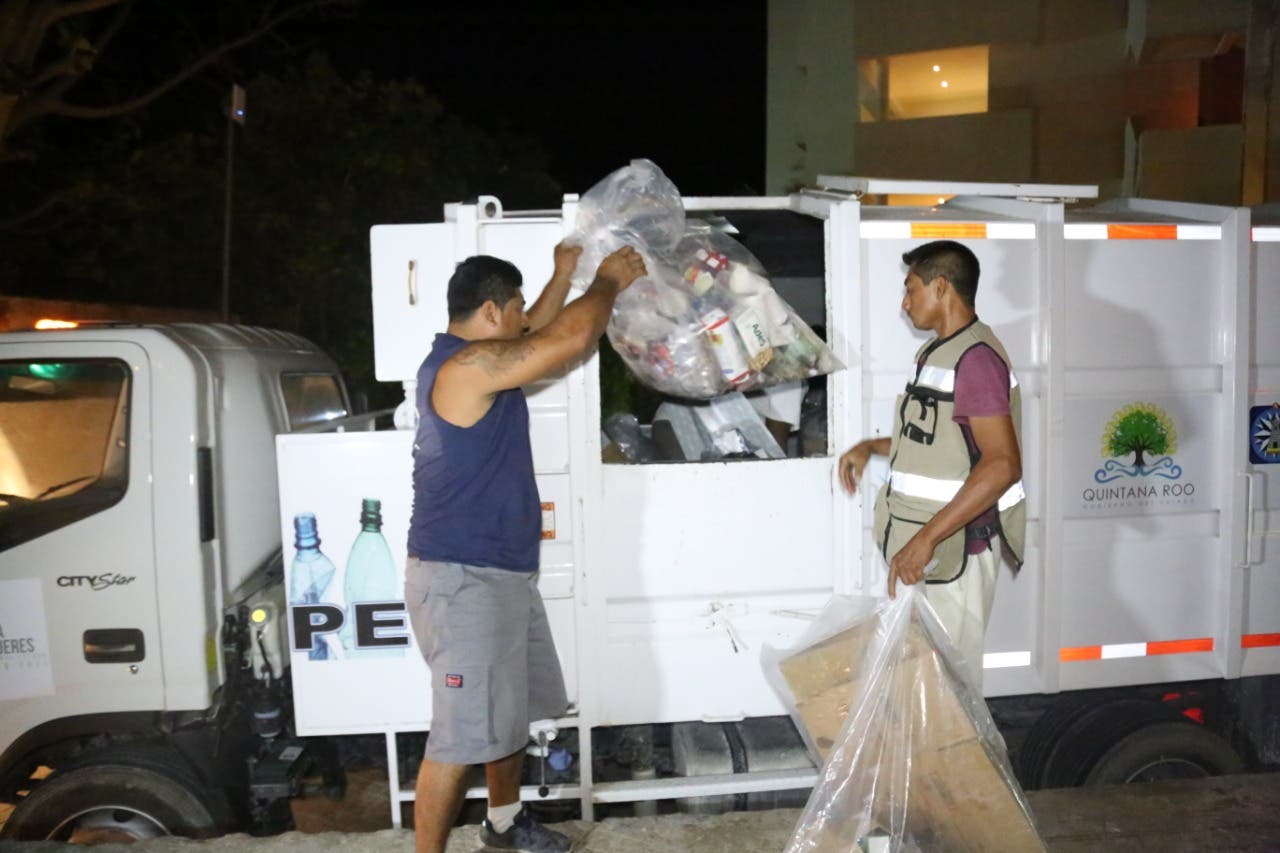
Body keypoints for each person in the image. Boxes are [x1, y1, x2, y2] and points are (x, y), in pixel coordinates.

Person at [404, 242, 646, 853]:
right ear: (491, 311)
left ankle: (504, 823)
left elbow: (537, 327)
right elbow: (569, 337)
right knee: (457, 738)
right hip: (461, 581)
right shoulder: (465, 367)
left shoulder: (478, 355)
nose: (523, 321)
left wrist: (562, 273)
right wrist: (606, 282)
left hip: (502, 574)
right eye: (515, 310)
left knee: (506, 714)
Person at [838, 240, 1025, 688]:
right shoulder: (936, 354)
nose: (905, 304)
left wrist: (924, 541)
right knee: (923, 690)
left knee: (949, 695)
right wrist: (871, 446)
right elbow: (935, 440)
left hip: (955, 554)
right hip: (932, 553)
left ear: (941, 288)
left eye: (911, 290)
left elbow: (1002, 465)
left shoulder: (976, 361)